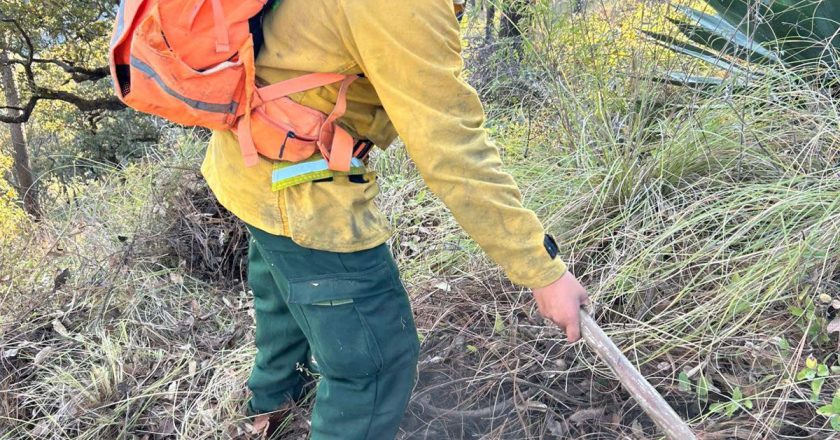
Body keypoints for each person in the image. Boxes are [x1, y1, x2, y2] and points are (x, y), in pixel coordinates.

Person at [200, 0, 590, 438]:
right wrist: (543, 271)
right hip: (298, 191)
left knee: (286, 304)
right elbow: (452, 150)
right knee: (378, 365)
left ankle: (268, 412)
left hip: (248, 163)